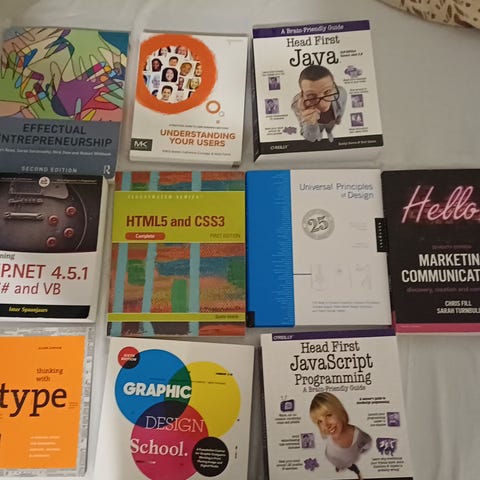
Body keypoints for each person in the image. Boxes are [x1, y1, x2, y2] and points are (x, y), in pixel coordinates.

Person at [309, 392, 371, 480]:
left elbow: (367, 442)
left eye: (328, 415)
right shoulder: (330, 434)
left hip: (348, 461)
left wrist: (362, 450)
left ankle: (357, 473)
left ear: (340, 412)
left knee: (350, 466)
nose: (326, 425)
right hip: (333, 458)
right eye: (320, 421)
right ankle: (338, 466)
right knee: (338, 464)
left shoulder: (358, 435)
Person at [291, 65, 347, 143]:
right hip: (317, 123)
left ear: (333, 87)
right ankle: (320, 133)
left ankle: (329, 133)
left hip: (331, 120)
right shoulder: (297, 104)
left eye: (327, 91)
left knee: (329, 128)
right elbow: (311, 138)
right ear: (302, 94)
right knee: (318, 132)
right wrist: (311, 124)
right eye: (311, 95)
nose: (323, 105)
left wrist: (339, 118)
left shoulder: (341, 93)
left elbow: (342, 108)